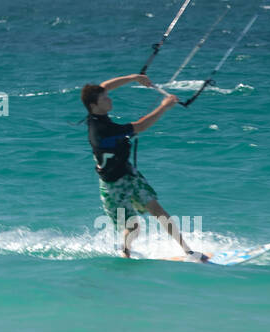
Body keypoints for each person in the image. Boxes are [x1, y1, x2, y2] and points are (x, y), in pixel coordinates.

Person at [81, 74, 208, 261]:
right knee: (133, 228)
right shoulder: (102, 130)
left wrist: (134, 77)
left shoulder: (96, 111)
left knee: (158, 210)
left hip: (130, 175)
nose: (109, 99)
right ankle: (125, 250)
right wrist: (164, 106)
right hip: (113, 185)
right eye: (105, 99)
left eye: (107, 96)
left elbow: (104, 86)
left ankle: (188, 251)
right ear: (94, 105)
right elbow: (141, 126)